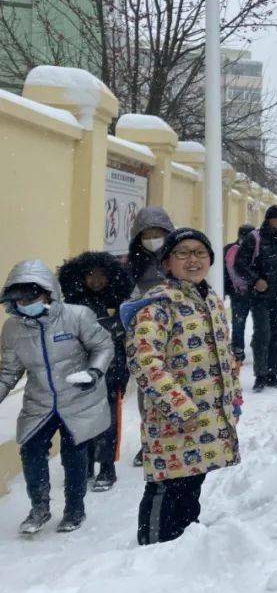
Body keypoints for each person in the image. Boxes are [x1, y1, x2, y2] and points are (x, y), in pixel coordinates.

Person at [122, 227, 242, 545]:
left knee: (192, 484)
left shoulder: (211, 301)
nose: (193, 260)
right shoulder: (157, 306)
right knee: (167, 487)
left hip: (209, 417)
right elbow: (145, 363)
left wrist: (234, 398)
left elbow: (225, 355)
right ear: (167, 263)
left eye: (200, 253)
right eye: (183, 253)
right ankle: (152, 552)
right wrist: (180, 407)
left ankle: (185, 546)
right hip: (174, 421)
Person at [0, 260, 113, 534]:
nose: (27, 303)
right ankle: (39, 508)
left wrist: (94, 372)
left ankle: (75, 510)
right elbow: (8, 370)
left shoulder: (77, 316)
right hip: (40, 401)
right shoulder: (13, 329)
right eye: (21, 298)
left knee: (73, 453)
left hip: (78, 396)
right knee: (30, 449)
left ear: (49, 292)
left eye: (33, 295)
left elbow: (103, 345)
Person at [57, 251, 135, 492]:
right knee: (82, 419)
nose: (96, 280)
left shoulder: (121, 304)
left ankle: (107, 467)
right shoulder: (72, 305)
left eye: (102, 275)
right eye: (91, 275)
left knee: (109, 421)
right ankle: (87, 464)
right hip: (80, 371)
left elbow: (128, 338)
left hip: (112, 371)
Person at [125, 206, 175, 467]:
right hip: (146, 335)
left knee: (176, 385)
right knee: (148, 388)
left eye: (158, 233)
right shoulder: (132, 264)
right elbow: (127, 299)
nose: (153, 239)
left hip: (178, 333)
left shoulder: (179, 258)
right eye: (147, 234)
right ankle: (149, 441)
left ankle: (175, 436)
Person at [234, 206, 277, 391]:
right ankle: (261, 375)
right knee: (262, 334)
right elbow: (239, 264)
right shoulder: (254, 238)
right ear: (271, 220)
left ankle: (273, 374)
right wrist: (256, 280)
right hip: (261, 297)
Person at [224, 224, 257, 362]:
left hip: (237, 293)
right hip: (256, 292)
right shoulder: (257, 249)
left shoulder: (228, 249)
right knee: (259, 322)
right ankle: (253, 344)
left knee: (239, 322)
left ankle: (238, 350)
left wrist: (227, 289)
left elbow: (224, 272)